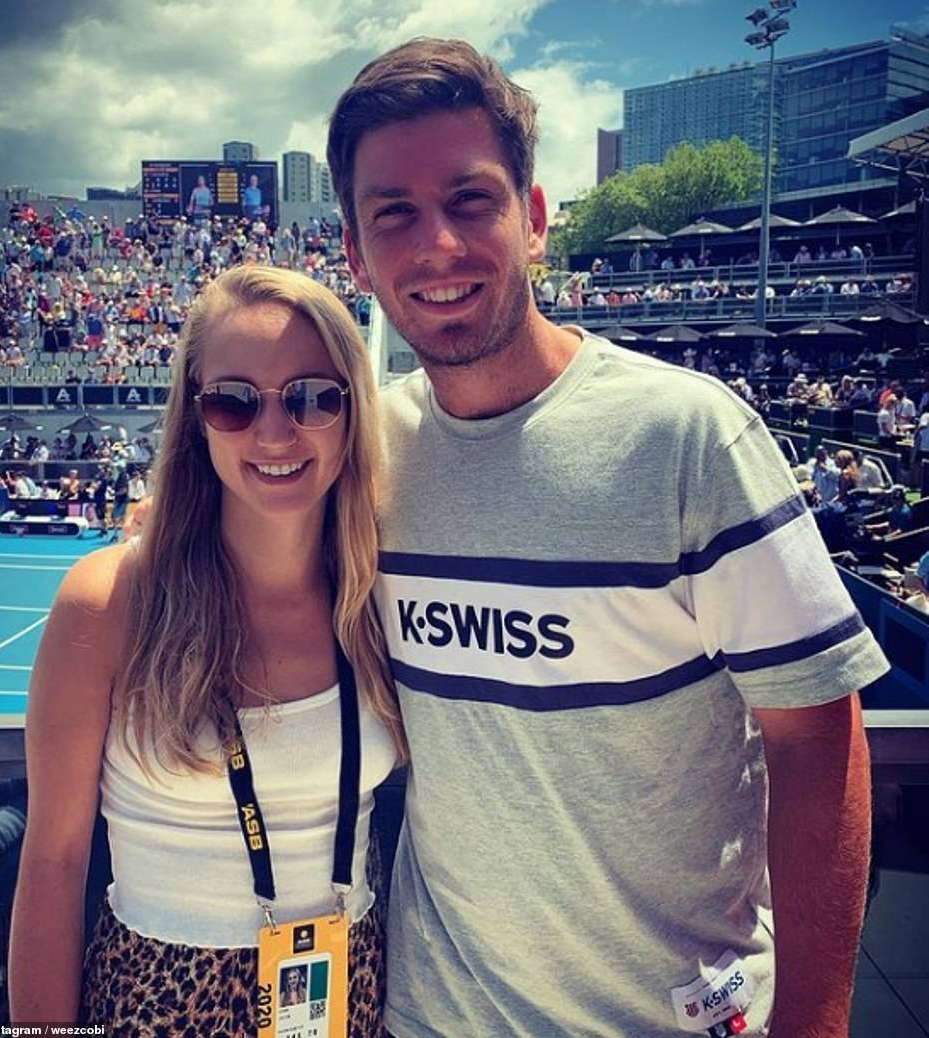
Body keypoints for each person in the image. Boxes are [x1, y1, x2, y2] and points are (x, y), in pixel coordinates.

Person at [328, 37, 889, 1038]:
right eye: (394, 215)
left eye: (469, 201)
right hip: (432, 1016)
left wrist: (814, 1021)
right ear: (355, 251)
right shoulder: (371, 452)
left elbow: (816, 740)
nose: (436, 247)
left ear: (533, 220)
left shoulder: (687, 435)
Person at [9, 266, 405, 1035]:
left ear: (352, 411)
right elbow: (54, 862)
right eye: (233, 402)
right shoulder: (108, 602)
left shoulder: (375, 595)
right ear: (195, 417)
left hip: (346, 994)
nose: (274, 433)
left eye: (313, 397)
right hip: (158, 999)